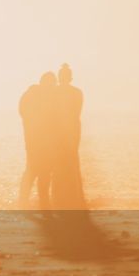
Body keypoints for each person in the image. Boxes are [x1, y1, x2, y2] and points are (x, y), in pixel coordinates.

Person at [18, 72, 58, 208]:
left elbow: (23, 113)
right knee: (38, 172)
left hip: (39, 142)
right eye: (52, 82)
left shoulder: (33, 95)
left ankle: (30, 202)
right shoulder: (36, 95)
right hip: (37, 142)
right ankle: (37, 203)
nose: (54, 85)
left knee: (39, 172)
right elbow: (25, 114)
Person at [51, 62, 86, 208]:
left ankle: (59, 197)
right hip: (72, 130)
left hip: (61, 131)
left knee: (58, 162)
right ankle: (75, 196)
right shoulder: (77, 92)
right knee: (71, 161)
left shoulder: (54, 93)